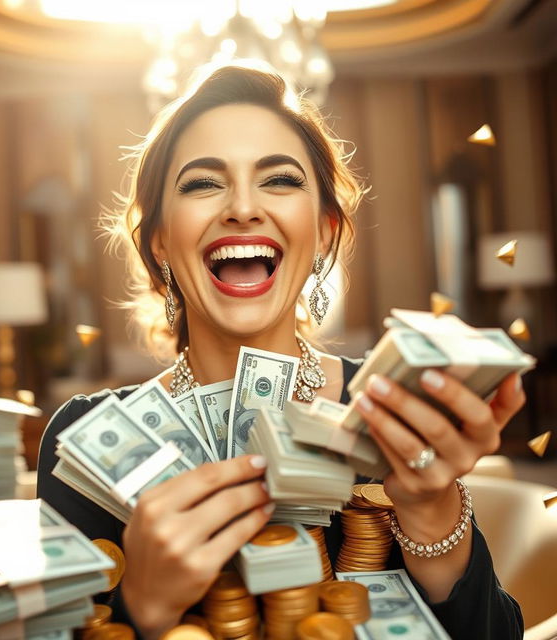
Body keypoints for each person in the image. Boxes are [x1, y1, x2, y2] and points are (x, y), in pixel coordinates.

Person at [37, 62, 525, 640]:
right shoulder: (80, 438)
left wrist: (433, 507)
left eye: (280, 180)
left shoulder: (394, 406)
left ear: (322, 230)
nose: (242, 207)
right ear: (161, 239)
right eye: (201, 183)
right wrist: (140, 607)